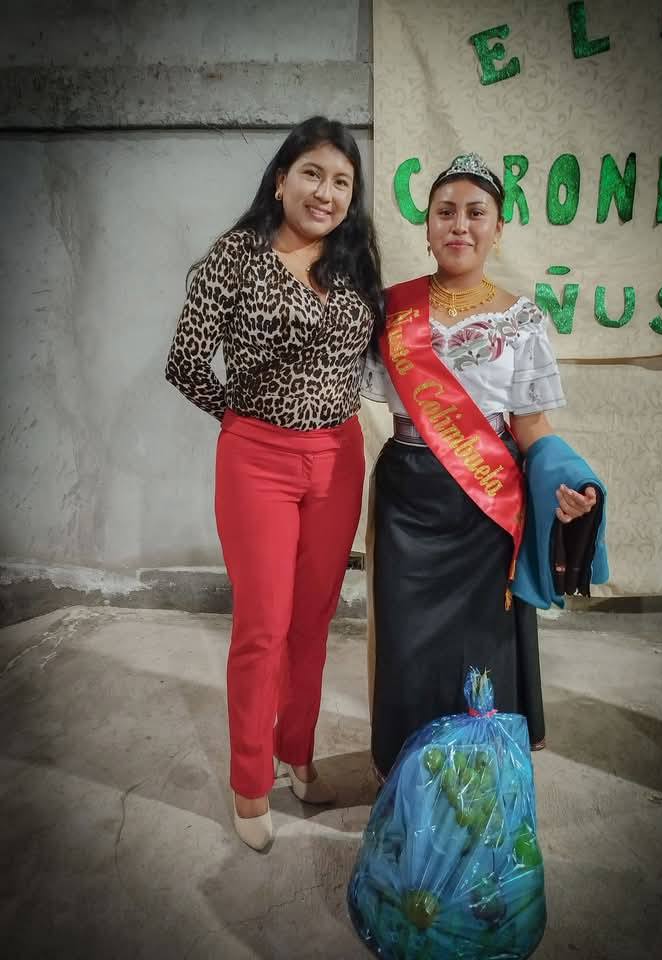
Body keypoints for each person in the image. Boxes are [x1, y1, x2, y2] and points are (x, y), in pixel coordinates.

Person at [165, 116, 383, 850]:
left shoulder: (354, 260)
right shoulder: (236, 256)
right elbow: (186, 361)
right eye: (313, 174)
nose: (326, 193)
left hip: (339, 459)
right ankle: (250, 781)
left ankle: (299, 755)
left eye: (342, 182)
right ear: (283, 178)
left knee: (314, 623)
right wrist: (243, 419)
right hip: (257, 461)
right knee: (263, 626)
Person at [362, 153, 596, 780]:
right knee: (407, 642)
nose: (459, 225)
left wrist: (568, 484)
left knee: (482, 644)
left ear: (498, 227)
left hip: (487, 504)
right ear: (428, 226)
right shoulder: (390, 312)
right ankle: (409, 777)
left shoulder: (521, 320)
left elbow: (531, 427)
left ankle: (479, 777)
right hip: (409, 498)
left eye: (475, 213)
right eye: (445, 213)